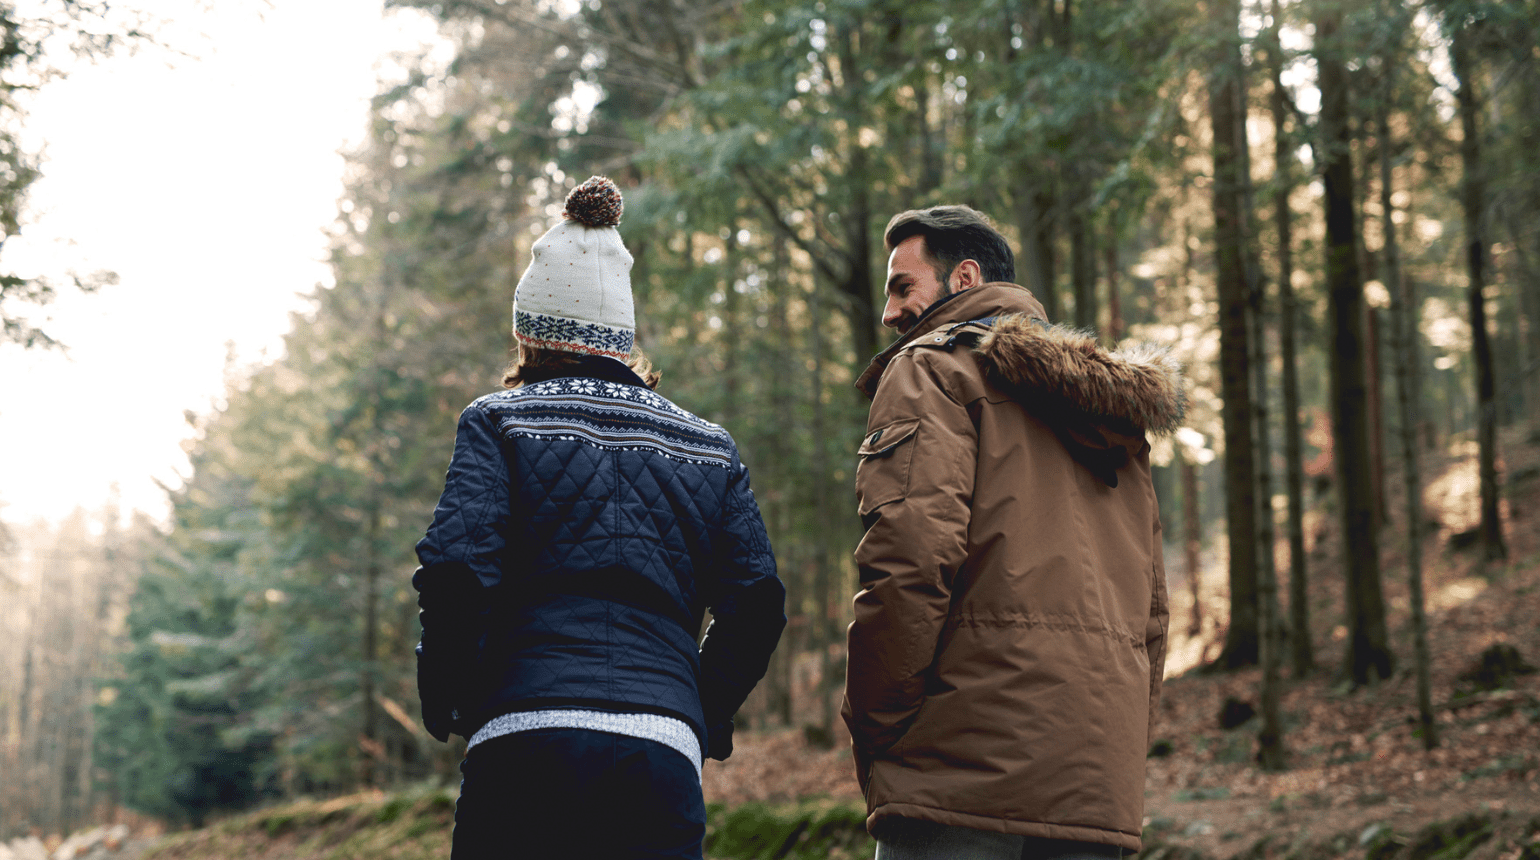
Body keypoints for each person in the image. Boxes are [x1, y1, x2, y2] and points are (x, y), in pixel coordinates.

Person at [413, 176, 786, 860]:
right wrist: (695, 707)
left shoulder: (499, 422)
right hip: (659, 754)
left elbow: (457, 573)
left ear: (531, 333)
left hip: (522, 740)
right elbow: (757, 604)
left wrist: (449, 695)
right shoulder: (711, 446)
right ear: (622, 336)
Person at [842, 205, 1183, 860]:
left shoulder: (933, 370)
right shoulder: (1113, 413)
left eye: (902, 286)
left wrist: (876, 724)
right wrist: (1119, 747)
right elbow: (1152, 612)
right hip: (1094, 777)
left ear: (963, 278)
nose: (889, 313)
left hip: (962, 769)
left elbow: (907, 563)